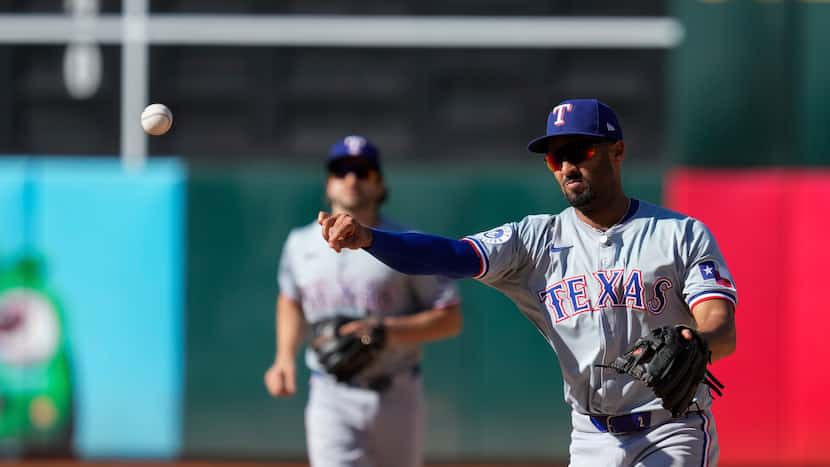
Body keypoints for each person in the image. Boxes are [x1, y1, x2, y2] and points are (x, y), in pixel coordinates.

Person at [317, 100, 737, 466]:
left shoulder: (679, 234)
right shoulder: (534, 241)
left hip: (672, 427)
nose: (569, 166)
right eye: (556, 158)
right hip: (592, 436)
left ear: (618, 151)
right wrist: (371, 238)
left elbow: (721, 326)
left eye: (581, 150)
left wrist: (698, 341)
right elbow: (450, 255)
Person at [264, 135, 462, 467]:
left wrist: (384, 330)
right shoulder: (299, 244)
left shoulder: (405, 245)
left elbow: (449, 318)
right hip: (330, 392)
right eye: (342, 171)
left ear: (380, 184)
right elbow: (291, 301)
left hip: (396, 392)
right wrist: (283, 357)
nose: (352, 179)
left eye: (363, 171)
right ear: (328, 185)